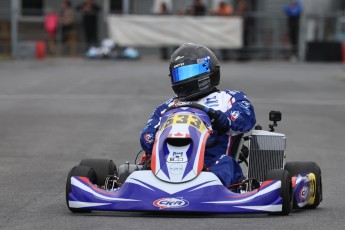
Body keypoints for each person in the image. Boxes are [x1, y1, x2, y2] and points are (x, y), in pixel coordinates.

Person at [140, 43, 256, 187]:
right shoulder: (166, 107)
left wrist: (223, 120)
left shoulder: (228, 98)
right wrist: (152, 136)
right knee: (140, 169)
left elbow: (245, 118)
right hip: (167, 165)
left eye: (190, 72)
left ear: (209, 70)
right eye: (180, 74)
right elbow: (147, 137)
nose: (184, 79)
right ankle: (158, 183)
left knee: (226, 165)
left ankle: (208, 188)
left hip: (211, 164)